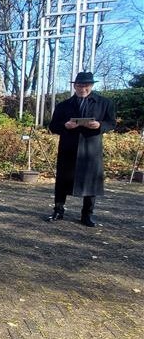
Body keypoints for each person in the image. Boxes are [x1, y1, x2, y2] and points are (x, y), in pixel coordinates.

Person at [47, 71, 116, 227]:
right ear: (74, 86)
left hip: (91, 149)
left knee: (91, 181)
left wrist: (100, 126)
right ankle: (58, 210)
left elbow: (111, 123)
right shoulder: (64, 105)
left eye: (85, 85)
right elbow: (52, 126)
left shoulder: (104, 103)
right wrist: (65, 125)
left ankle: (87, 215)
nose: (82, 89)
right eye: (79, 85)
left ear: (91, 85)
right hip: (68, 148)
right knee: (63, 180)